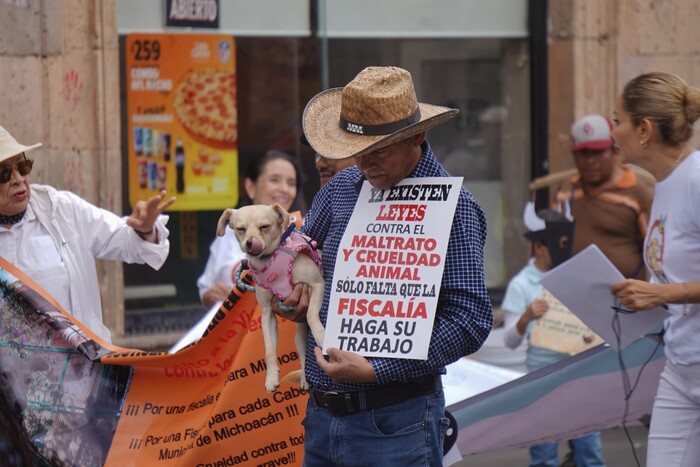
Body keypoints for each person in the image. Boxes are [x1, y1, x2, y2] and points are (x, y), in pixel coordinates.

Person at [285, 66, 492, 465]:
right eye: (356, 151)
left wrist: (380, 367)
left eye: (379, 150)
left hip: (398, 420)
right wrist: (289, 287)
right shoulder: (342, 189)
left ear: (418, 136)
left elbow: (470, 320)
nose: (364, 164)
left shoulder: (457, 209)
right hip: (322, 416)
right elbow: (302, 248)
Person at [0, 124, 175, 343]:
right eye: (4, 174)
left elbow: (126, 239)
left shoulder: (63, 210)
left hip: (77, 371)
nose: (18, 179)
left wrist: (145, 228)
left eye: (22, 166)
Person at [609, 71, 700, 467]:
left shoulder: (696, 178)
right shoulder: (664, 184)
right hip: (682, 365)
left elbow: (672, 287)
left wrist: (662, 294)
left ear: (643, 129)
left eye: (617, 120)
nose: (613, 132)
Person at [503, 203, 605, 467]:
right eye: (559, 242)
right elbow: (509, 341)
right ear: (540, 246)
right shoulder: (522, 284)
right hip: (542, 380)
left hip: (580, 376)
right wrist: (525, 318)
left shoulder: (579, 276)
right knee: (544, 456)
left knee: (589, 453)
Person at [553, 114, 654, 279]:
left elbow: (656, 253)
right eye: (583, 153)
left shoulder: (638, 194)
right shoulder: (566, 191)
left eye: (598, 152)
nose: (590, 161)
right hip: (573, 296)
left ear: (615, 151)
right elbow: (551, 244)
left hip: (624, 299)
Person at [197, 150, 301, 308]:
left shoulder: (305, 233)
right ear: (250, 186)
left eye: (291, 183)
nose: (285, 189)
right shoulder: (228, 234)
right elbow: (206, 288)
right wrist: (211, 297)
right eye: (274, 180)